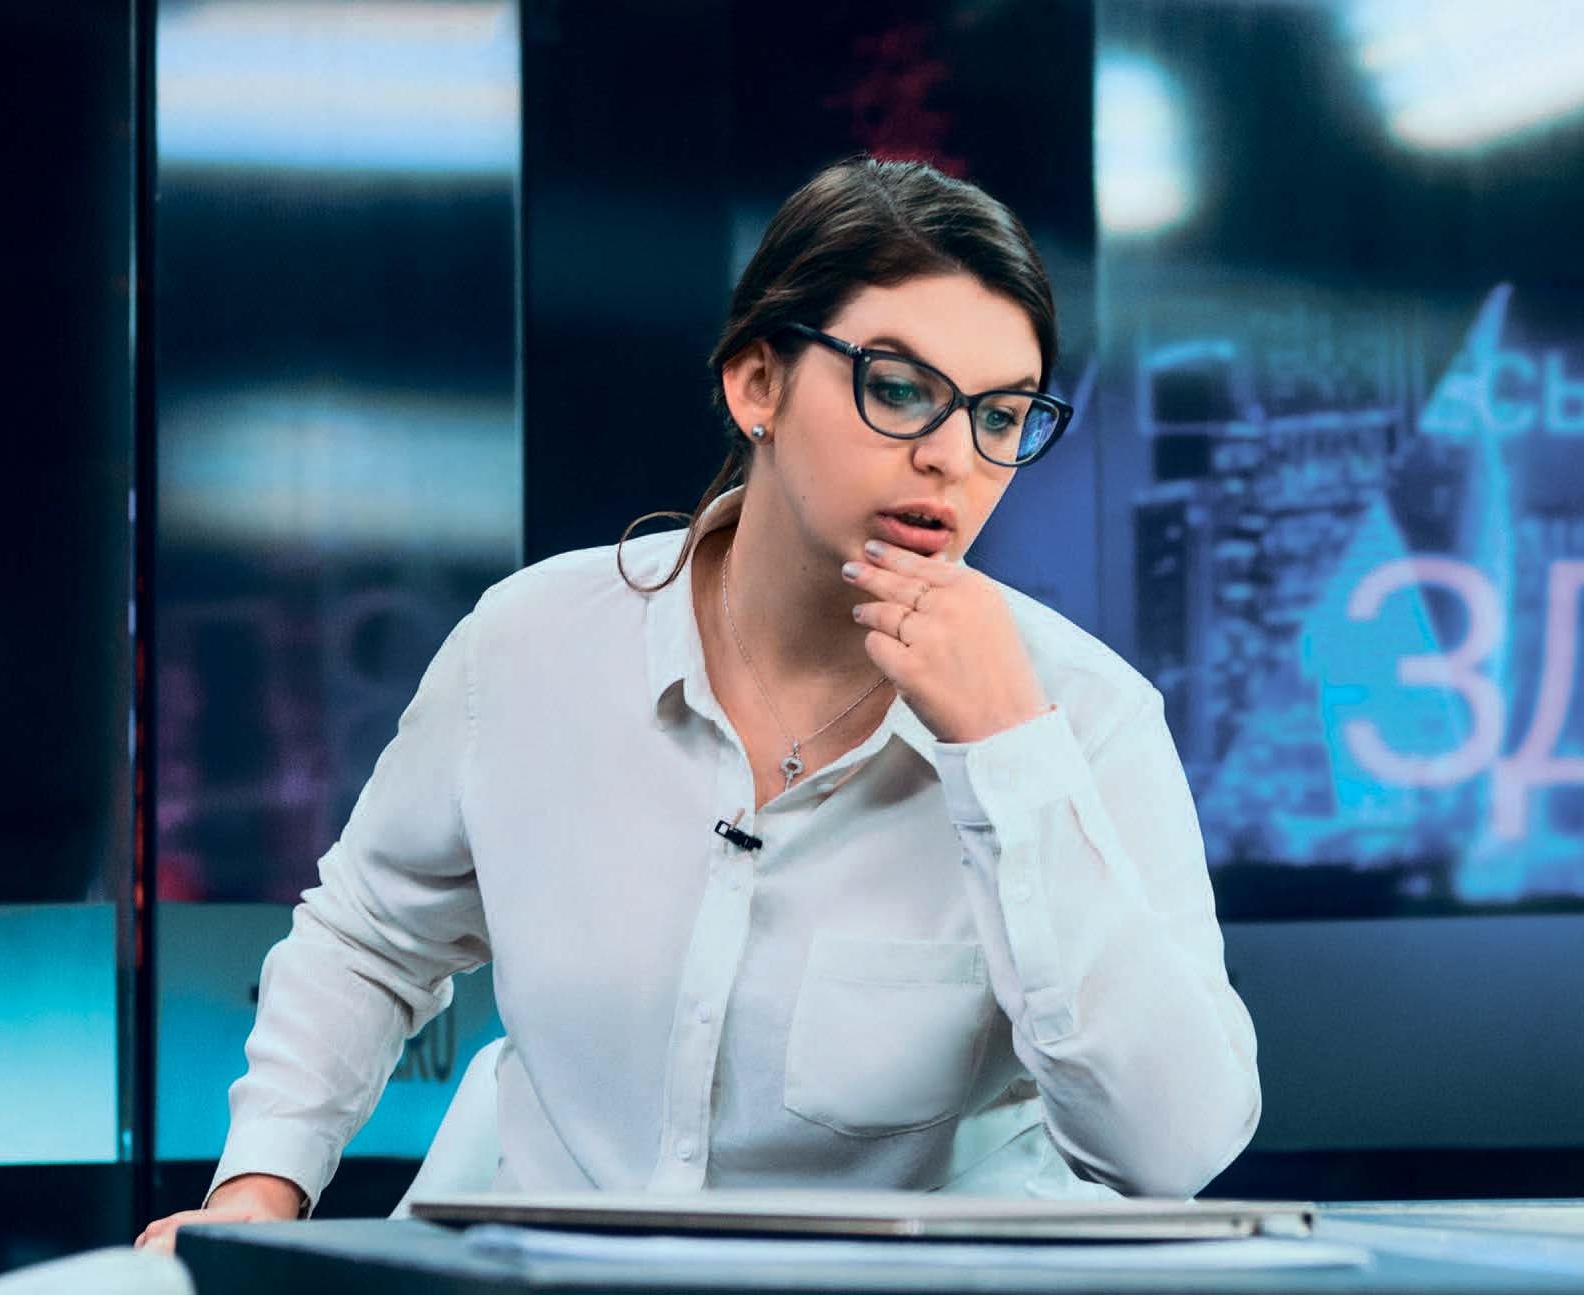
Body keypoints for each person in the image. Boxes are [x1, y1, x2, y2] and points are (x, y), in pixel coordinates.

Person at [137, 155, 1259, 1254]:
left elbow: (1170, 1146)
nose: (950, 458)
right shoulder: (533, 642)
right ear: (756, 383)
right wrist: (257, 1194)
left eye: (1000, 416)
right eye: (899, 389)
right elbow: (368, 937)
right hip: (535, 1272)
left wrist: (1008, 753)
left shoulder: (1082, 716)